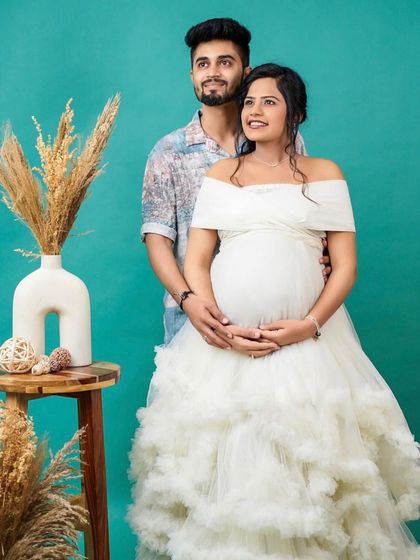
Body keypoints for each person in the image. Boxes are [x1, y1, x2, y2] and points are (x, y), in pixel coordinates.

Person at [129, 63, 420, 559]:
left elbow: (345, 267)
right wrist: (217, 320)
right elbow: (198, 259)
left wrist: (306, 326)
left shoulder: (324, 172)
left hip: (309, 344)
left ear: (296, 112)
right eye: (248, 102)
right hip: (228, 344)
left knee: (306, 458)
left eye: (270, 101)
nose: (255, 111)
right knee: (229, 457)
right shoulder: (223, 174)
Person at [141, 18, 331, 356]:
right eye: (203, 64)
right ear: (192, 76)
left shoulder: (285, 139)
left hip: (277, 324)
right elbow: (158, 242)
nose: (212, 72)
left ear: (246, 72)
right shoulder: (168, 152)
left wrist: (322, 256)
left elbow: (303, 213)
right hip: (198, 323)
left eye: (224, 62)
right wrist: (188, 301)